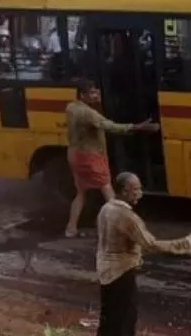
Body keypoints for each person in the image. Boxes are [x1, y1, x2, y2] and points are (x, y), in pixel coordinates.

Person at [96, 172, 191, 336]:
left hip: (105, 272)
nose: (140, 193)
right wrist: (190, 242)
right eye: (137, 189)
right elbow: (151, 244)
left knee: (109, 320)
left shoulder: (106, 209)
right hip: (122, 273)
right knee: (125, 321)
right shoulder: (126, 216)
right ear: (125, 191)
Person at [65, 79, 159, 238]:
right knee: (108, 192)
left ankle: (71, 228)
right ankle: (125, 227)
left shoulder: (71, 107)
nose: (96, 95)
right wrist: (138, 127)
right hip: (91, 157)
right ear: (82, 95)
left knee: (80, 193)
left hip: (74, 155)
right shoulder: (88, 113)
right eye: (93, 92)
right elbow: (110, 126)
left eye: (96, 91)